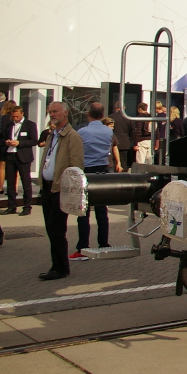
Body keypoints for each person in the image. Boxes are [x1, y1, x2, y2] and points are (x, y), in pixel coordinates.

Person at [39, 101, 84, 280]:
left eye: (55, 111)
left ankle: (60, 267)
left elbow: (76, 165)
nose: (52, 114)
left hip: (60, 189)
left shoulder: (72, 136)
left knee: (56, 229)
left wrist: (70, 190)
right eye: (50, 112)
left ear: (65, 113)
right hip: (47, 188)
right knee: (51, 229)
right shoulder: (53, 135)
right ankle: (57, 264)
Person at [73, 103, 111, 260]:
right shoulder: (108, 131)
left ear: (88, 114)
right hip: (103, 169)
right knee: (102, 208)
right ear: (102, 115)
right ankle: (103, 242)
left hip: (87, 169)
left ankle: (83, 245)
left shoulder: (82, 131)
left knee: (83, 209)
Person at [2, 106, 38, 216]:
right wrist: (6, 142)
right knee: (10, 183)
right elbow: (1, 138)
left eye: (17, 116)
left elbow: (34, 140)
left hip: (23, 156)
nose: (15, 118)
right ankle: (11, 205)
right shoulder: (9, 125)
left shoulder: (30, 124)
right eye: (13, 117)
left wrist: (19, 143)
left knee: (26, 182)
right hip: (10, 155)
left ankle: (27, 206)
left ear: (22, 113)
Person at [0, 99, 18, 193]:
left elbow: (1, 130)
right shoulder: (17, 117)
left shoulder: (4, 117)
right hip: (14, 143)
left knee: (2, 166)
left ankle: (0, 187)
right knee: (16, 167)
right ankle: (15, 188)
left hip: (4, 142)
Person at [108, 102, 136, 171]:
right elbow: (133, 131)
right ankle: (123, 178)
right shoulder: (128, 118)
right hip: (125, 143)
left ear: (115, 108)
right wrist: (129, 139)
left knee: (113, 162)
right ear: (124, 108)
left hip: (113, 143)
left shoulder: (111, 117)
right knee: (123, 163)